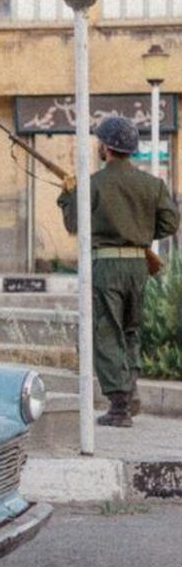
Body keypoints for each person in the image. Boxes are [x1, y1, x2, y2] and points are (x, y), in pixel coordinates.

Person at [57, 116, 179, 426]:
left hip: (107, 265)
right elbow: (170, 223)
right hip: (139, 264)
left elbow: (74, 225)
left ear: (106, 147)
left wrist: (67, 195)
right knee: (131, 329)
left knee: (107, 331)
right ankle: (131, 390)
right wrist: (138, 230)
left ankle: (120, 407)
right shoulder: (153, 184)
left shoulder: (93, 184)